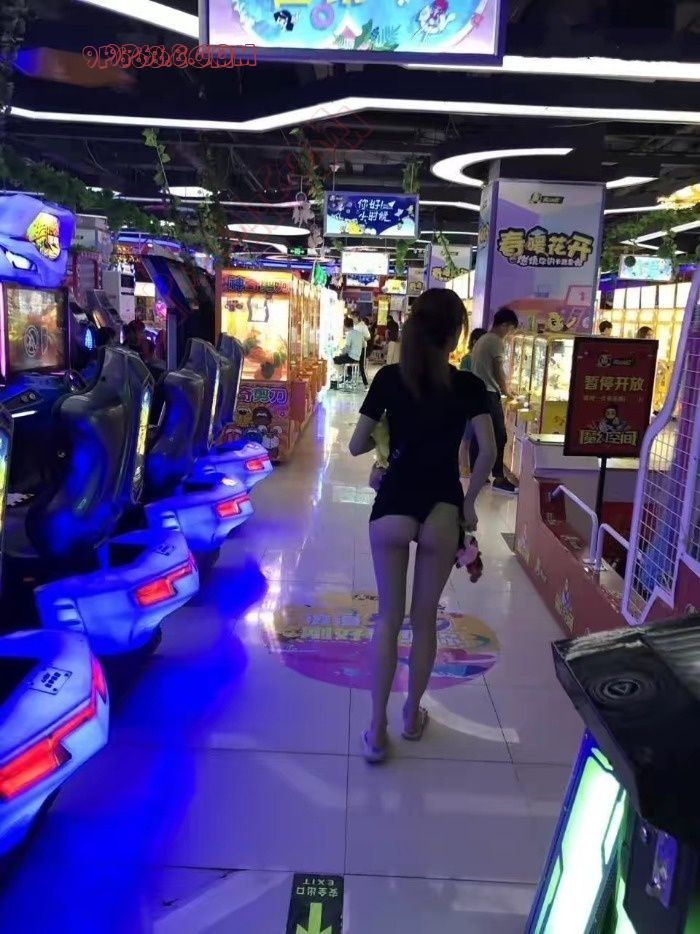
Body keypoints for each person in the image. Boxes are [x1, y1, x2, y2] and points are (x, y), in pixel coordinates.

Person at [348, 288, 497, 763]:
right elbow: (489, 451)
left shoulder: (390, 377)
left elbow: (355, 445)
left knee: (388, 619)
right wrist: (469, 503)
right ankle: (412, 716)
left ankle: (376, 731)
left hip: (393, 504)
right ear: (455, 335)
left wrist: (383, 448)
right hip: (442, 510)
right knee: (425, 618)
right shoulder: (469, 386)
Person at [469, 306, 519, 495]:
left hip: (478, 393)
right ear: (505, 325)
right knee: (499, 436)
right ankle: (499, 477)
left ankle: (478, 473)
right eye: (511, 329)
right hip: (489, 394)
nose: (509, 334)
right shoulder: (496, 342)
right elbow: (498, 369)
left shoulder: (483, 339)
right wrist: (506, 390)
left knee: (479, 435)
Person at [333, 315, 364, 382]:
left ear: (345, 326)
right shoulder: (359, 333)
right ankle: (347, 375)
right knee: (342, 358)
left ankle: (345, 375)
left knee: (334, 360)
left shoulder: (349, 334)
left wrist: (341, 352)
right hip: (358, 357)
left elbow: (347, 348)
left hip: (351, 357)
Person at [352, 311, 371, 387]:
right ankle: (350, 379)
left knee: (361, 366)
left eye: (353, 318)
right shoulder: (353, 325)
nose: (352, 319)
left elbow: (368, 337)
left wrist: (361, 337)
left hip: (362, 348)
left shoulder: (363, 326)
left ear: (357, 317)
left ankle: (365, 383)